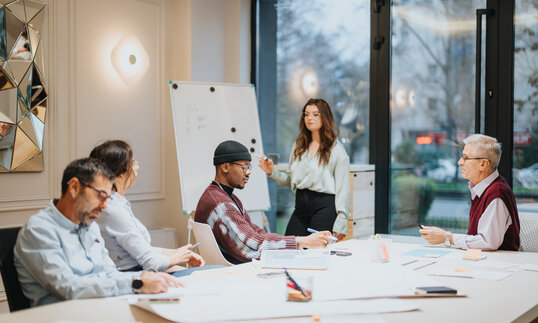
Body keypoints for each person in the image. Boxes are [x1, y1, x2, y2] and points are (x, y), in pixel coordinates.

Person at [14, 158, 182, 307]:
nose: (105, 206)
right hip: (61, 320)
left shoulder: (89, 225)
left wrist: (149, 277)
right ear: (74, 187)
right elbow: (68, 288)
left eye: (108, 198)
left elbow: (109, 273)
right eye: (101, 196)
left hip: (102, 307)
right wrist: (136, 284)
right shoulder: (39, 230)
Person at [194, 140, 331, 264]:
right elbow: (252, 245)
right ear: (225, 167)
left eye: (249, 167)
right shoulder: (222, 206)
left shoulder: (224, 197)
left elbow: (256, 232)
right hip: (237, 269)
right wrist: (303, 241)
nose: (248, 173)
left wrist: (300, 242)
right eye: (244, 167)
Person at [90, 140, 211, 276]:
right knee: (212, 272)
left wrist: (177, 253)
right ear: (120, 175)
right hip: (136, 275)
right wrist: (177, 257)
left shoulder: (115, 203)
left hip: (141, 269)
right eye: (133, 163)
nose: (137, 167)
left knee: (210, 272)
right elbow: (149, 262)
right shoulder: (113, 210)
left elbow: (143, 250)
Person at [259, 98, 350, 240]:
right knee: (288, 249)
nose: (309, 118)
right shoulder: (299, 146)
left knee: (315, 254)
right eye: (306, 114)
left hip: (324, 207)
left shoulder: (337, 151)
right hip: (300, 207)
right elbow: (290, 180)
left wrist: (341, 222)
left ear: (325, 117)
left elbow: (343, 190)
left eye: (315, 114)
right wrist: (272, 172)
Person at [420, 134, 520, 251]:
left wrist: (447, 237)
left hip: (496, 264)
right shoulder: (483, 188)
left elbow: (487, 242)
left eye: (466, 158)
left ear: (483, 164)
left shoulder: (497, 193)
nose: (460, 162)